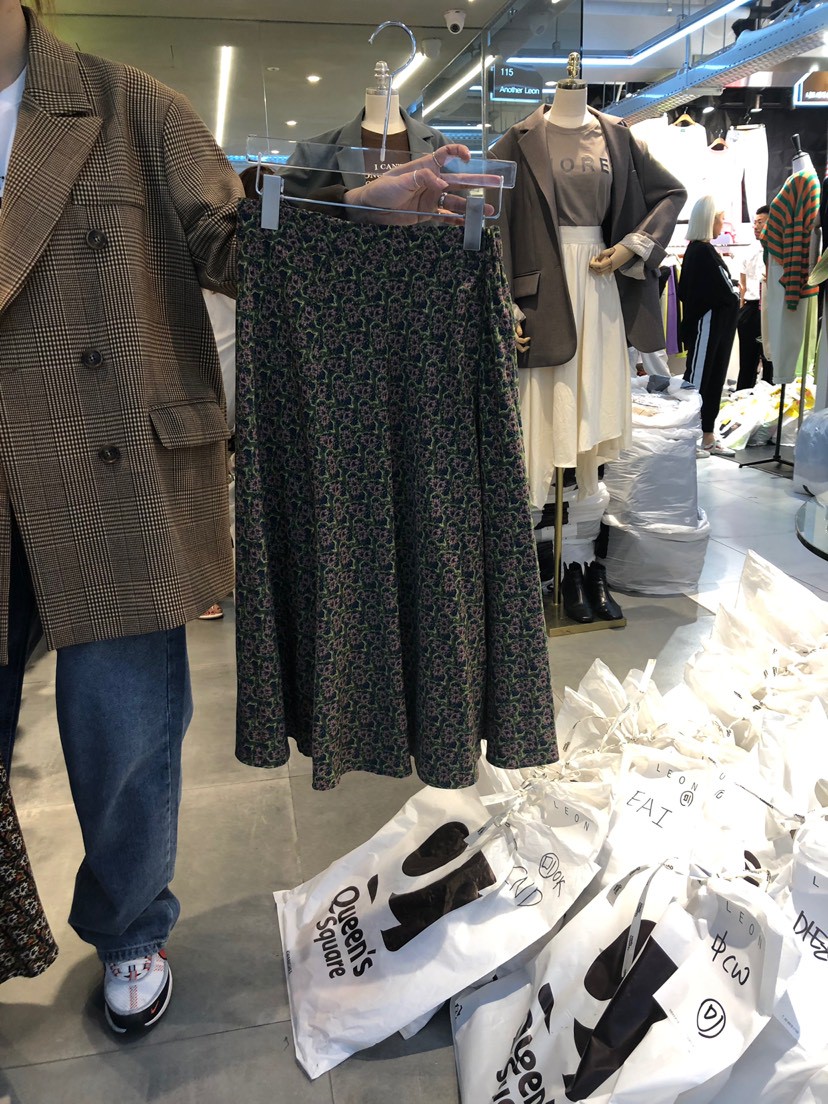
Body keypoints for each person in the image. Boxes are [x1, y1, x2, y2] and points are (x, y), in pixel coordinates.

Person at [0, 0, 491, 1034]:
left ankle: (130, 929)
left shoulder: (128, 106)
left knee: (124, 736)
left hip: (114, 468)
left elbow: (238, 244)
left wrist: (353, 210)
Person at [679, 195, 740, 457]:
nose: (722, 225)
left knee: (713, 378)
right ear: (708, 220)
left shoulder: (703, 250)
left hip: (718, 326)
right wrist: (734, 291)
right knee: (699, 379)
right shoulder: (700, 251)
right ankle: (687, 437)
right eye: (720, 219)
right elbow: (722, 290)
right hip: (707, 325)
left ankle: (706, 435)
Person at [735, 204, 773, 392]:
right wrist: (742, 309)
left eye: (760, 222)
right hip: (750, 308)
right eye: (755, 223)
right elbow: (742, 283)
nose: (756, 227)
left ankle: (771, 396)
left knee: (770, 359)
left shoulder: (777, 249)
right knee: (747, 359)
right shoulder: (748, 250)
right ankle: (742, 396)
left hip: (770, 307)